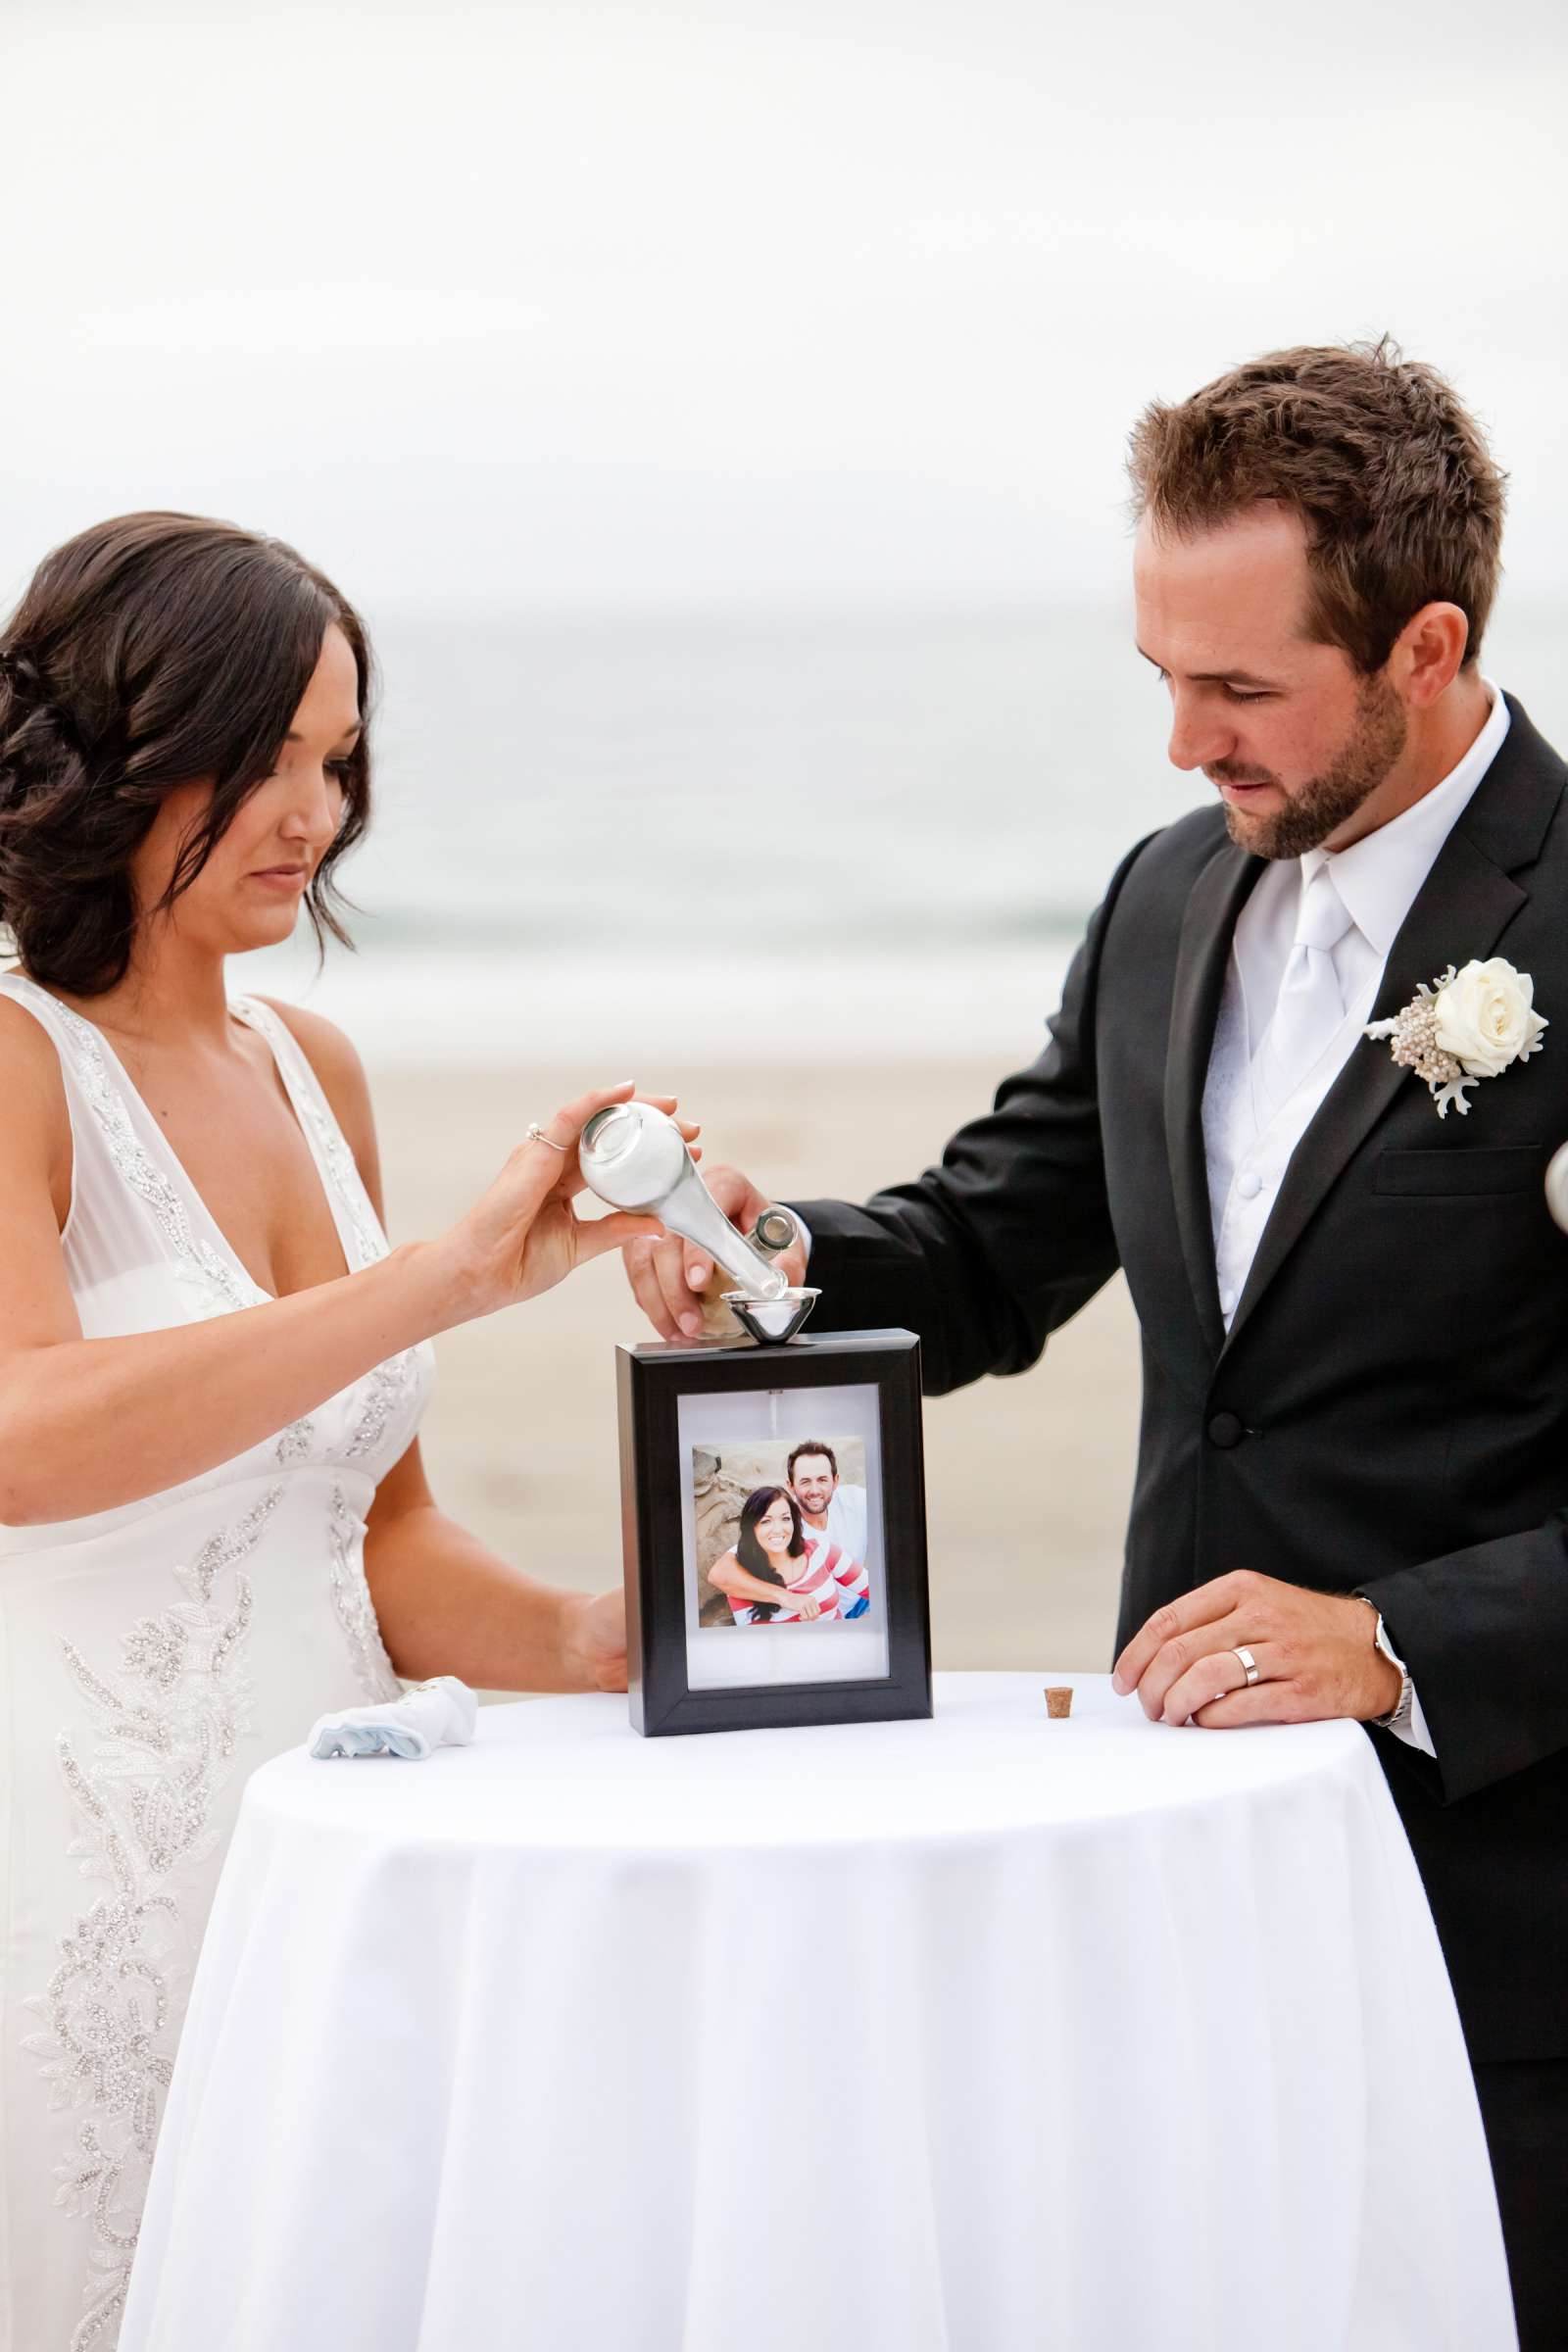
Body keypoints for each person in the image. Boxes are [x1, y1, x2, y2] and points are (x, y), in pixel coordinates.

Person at [623, 342, 1568, 2343]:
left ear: (1419, 645)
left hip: (1508, 1895)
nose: (1175, 745)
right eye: (1155, 673)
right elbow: (987, 1250)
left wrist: (1398, 1639)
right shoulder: (1163, 901)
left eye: (1234, 691)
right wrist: (767, 1254)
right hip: (1178, 1843)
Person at [0, 512, 683, 2352]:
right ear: (120, 756)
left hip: (337, 1860)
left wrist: (586, 1641)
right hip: (86, 1872)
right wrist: (449, 1277)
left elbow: (373, 1538)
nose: (315, 811)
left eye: (338, 756)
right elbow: (25, 1434)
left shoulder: (319, 1072)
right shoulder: (13, 1060)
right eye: (266, 756)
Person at [708, 1486, 870, 1623]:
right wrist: (787, 1598)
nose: (778, 1529)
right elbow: (718, 1575)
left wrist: (860, 1627)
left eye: (785, 1519)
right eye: (766, 1521)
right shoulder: (740, 1575)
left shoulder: (820, 1550)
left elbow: (876, 1589)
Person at [787, 1439, 869, 1564]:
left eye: (822, 1480)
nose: (815, 1490)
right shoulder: (783, 1525)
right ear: (791, 1486)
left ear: (835, 1481)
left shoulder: (856, 1500)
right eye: (805, 1482)